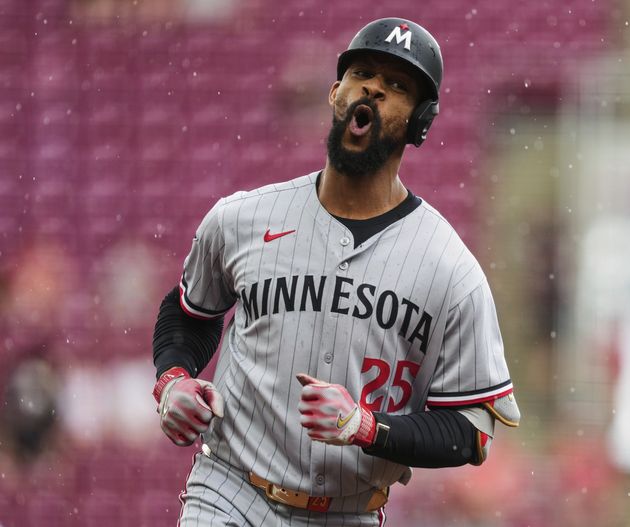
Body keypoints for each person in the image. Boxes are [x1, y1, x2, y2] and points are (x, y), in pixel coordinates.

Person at [151, 17, 520, 526]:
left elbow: (471, 431)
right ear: (335, 92)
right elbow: (191, 309)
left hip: (350, 511)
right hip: (230, 489)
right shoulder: (242, 219)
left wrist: (367, 427)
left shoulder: (450, 270)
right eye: (362, 72)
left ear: (421, 122)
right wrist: (174, 380)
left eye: (397, 86)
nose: (373, 87)